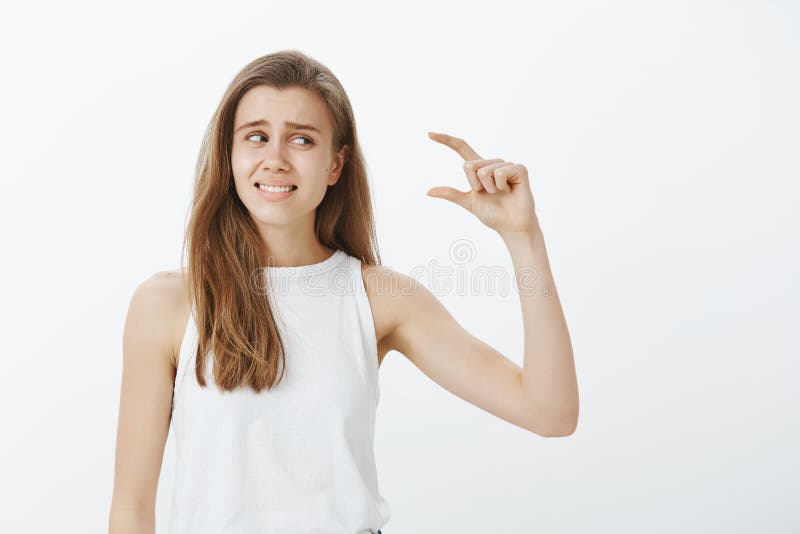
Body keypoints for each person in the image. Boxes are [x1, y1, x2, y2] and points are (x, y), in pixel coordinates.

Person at [108, 49, 578, 534]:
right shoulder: (166, 304)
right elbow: (131, 509)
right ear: (229, 156)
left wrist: (523, 238)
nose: (275, 158)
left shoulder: (380, 298)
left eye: (302, 139)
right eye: (256, 136)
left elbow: (550, 412)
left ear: (336, 164)